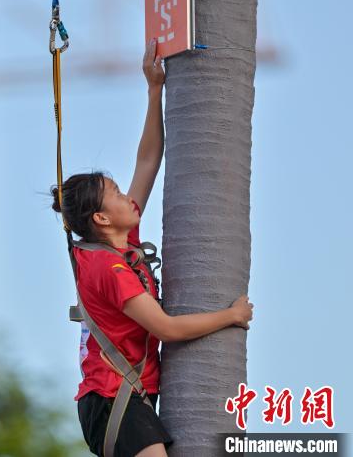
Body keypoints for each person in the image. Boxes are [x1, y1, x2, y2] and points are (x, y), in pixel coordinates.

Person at [50, 39, 254, 457]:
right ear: (101, 220)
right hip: (110, 402)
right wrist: (232, 315)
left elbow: (147, 161)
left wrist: (154, 89)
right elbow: (166, 329)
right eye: (118, 194)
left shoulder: (118, 243)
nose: (129, 196)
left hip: (125, 398)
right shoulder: (108, 269)